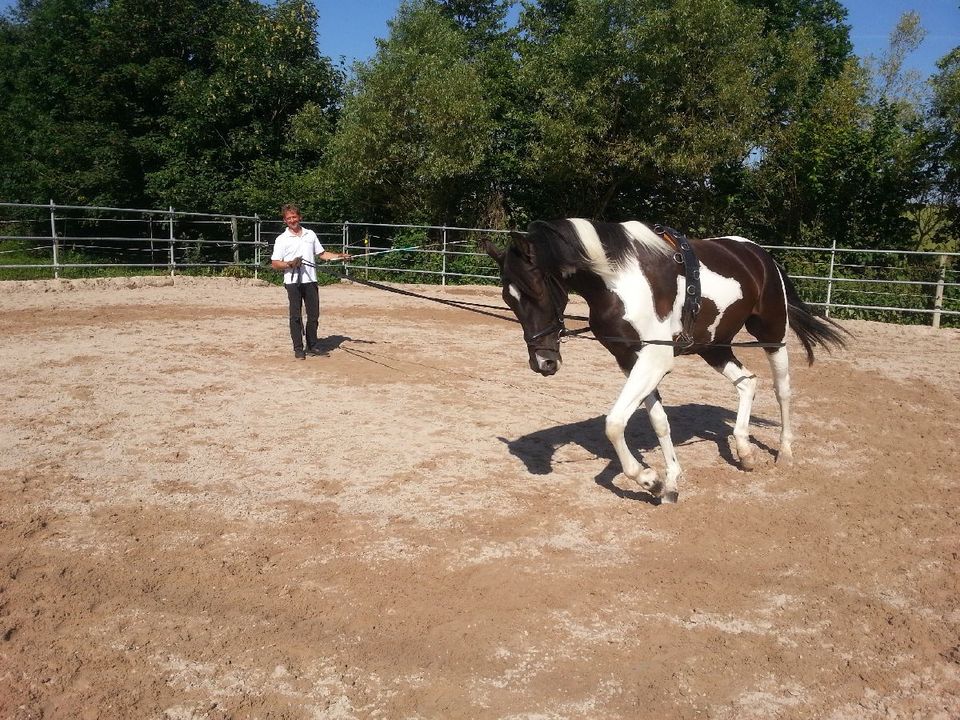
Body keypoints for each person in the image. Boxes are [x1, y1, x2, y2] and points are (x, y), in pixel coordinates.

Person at [270, 204, 350, 359]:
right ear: (285, 220)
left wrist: (339, 256)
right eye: (289, 218)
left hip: (310, 280)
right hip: (292, 282)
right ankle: (298, 348)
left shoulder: (310, 234)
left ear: (299, 217)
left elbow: (322, 254)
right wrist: (289, 264)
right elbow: (275, 263)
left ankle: (312, 345)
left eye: (294, 217)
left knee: (313, 315)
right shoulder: (282, 239)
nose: (292, 220)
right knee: (296, 316)